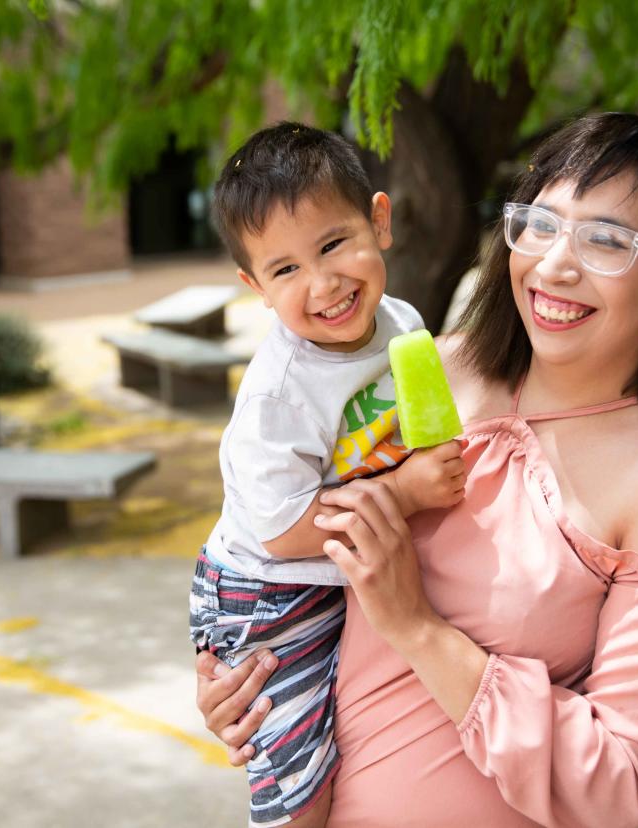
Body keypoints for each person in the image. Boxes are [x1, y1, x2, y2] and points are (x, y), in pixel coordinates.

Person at [195, 112, 638, 827]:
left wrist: (420, 630)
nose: (556, 263)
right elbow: (298, 532)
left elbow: (619, 784)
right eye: (542, 224)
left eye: (608, 241)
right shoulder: (432, 365)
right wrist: (250, 673)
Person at [190, 122, 467, 828]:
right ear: (255, 286)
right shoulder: (279, 392)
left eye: (333, 244)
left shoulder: (402, 325)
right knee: (299, 785)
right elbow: (282, 530)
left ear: (379, 220)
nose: (323, 284)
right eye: (285, 270)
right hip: (266, 587)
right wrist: (402, 494)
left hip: (325, 573)